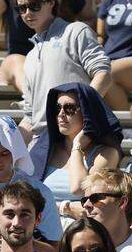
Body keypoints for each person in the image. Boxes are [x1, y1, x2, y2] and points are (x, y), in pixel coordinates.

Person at [14, 0, 112, 142]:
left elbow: (103, 75)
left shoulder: (76, 31)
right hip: (42, 142)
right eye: (22, 8)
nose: (28, 13)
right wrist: (8, 143)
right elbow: (30, 117)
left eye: (34, 6)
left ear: (51, 2)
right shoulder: (30, 57)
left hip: (77, 137)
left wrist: (81, 113)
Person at [0, 115, 63, 250]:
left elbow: (56, 250)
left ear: (15, 151)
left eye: (4, 153)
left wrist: (20, 240)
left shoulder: (39, 192)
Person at [34, 83, 123, 221]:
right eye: (57, 108)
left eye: (69, 108)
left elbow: (79, 189)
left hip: (83, 234)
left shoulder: (106, 154)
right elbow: (27, 198)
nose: (61, 114)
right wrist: (65, 207)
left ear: (87, 113)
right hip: (41, 231)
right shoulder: (44, 152)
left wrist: (77, 146)